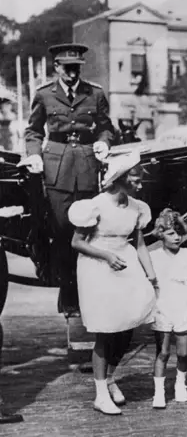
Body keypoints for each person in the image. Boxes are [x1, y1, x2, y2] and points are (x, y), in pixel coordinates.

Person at [21, 43, 116, 317]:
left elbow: (106, 128)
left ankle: (87, 292)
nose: (73, 74)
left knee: (85, 230)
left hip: (86, 166)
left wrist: (103, 143)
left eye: (76, 68)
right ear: (57, 67)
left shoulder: (94, 93)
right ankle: (69, 295)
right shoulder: (44, 95)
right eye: (68, 68)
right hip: (56, 168)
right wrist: (34, 155)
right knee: (62, 231)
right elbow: (34, 131)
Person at [68, 151, 157, 415]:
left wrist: (151, 274)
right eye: (136, 179)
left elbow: (139, 243)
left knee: (127, 327)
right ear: (120, 178)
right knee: (106, 332)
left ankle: (110, 377)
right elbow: (77, 242)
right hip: (97, 266)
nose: (140, 185)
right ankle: (99, 394)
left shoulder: (136, 207)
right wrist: (106, 255)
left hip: (125, 263)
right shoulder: (95, 206)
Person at [150, 208, 187, 409]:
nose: (177, 237)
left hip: (183, 308)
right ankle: (159, 392)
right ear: (160, 234)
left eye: (179, 233)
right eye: (171, 233)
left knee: (183, 353)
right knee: (162, 353)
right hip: (162, 309)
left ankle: (181, 383)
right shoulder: (153, 256)